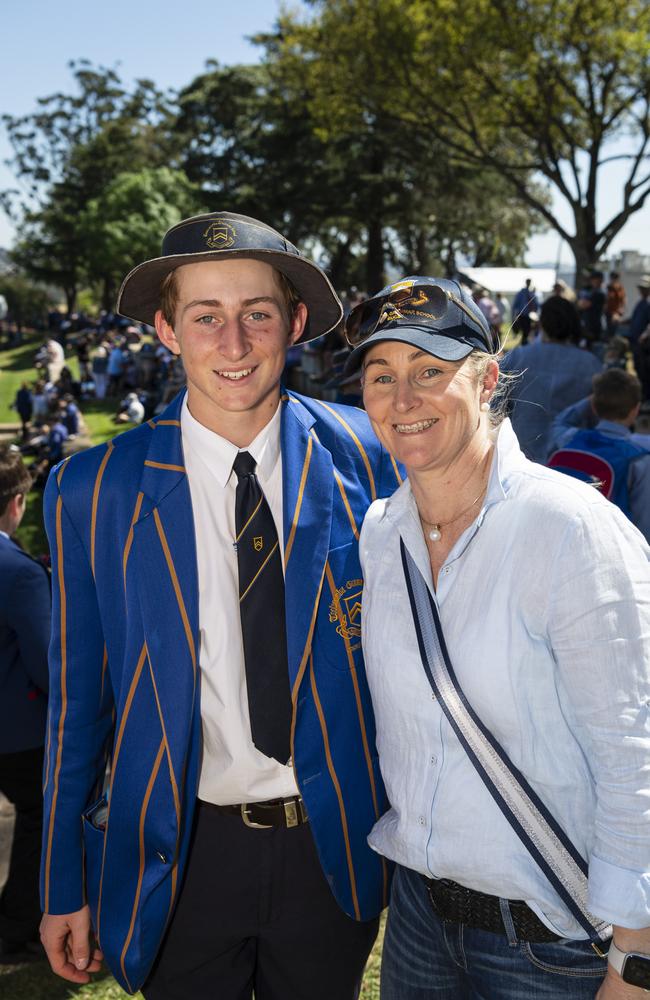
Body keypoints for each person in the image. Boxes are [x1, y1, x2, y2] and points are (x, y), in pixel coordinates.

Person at [39, 211, 402, 999]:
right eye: (205, 317)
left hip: (331, 847)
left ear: (295, 322)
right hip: (179, 851)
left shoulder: (373, 459)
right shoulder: (91, 490)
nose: (232, 344)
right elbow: (78, 704)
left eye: (257, 315)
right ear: (166, 330)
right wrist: (60, 878)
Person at [341, 275, 650, 999]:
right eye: (381, 376)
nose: (402, 399)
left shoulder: (570, 529)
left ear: (487, 382)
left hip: (554, 947)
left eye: (429, 372)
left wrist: (635, 961)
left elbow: (636, 750)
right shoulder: (381, 534)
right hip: (417, 920)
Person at [0, 446, 51, 962]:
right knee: (41, 818)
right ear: (17, 503)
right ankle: (17, 928)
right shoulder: (17, 571)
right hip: (17, 731)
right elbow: (46, 659)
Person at [548, 368, 650, 541]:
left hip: (561, 536)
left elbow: (561, 420)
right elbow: (643, 524)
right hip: (606, 546)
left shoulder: (569, 439)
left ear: (593, 406)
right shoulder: (639, 458)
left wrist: (591, 401)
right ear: (636, 410)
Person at [500, 294, 602, 462]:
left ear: (542, 324)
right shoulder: (591, 364)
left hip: (521, 457)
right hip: (571, 459)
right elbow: (599, 417)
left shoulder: (517, 357)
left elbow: (494, 408)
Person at [605, 272, 626, 337]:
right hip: (609, 313)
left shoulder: (620, 289)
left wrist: (618, 313)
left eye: (614, 278)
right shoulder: (609, 288)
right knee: (609, 332)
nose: (613, 280)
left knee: (615, 332)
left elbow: (622, 302)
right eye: (612, 278)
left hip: (616, 314)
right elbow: (607, 301)